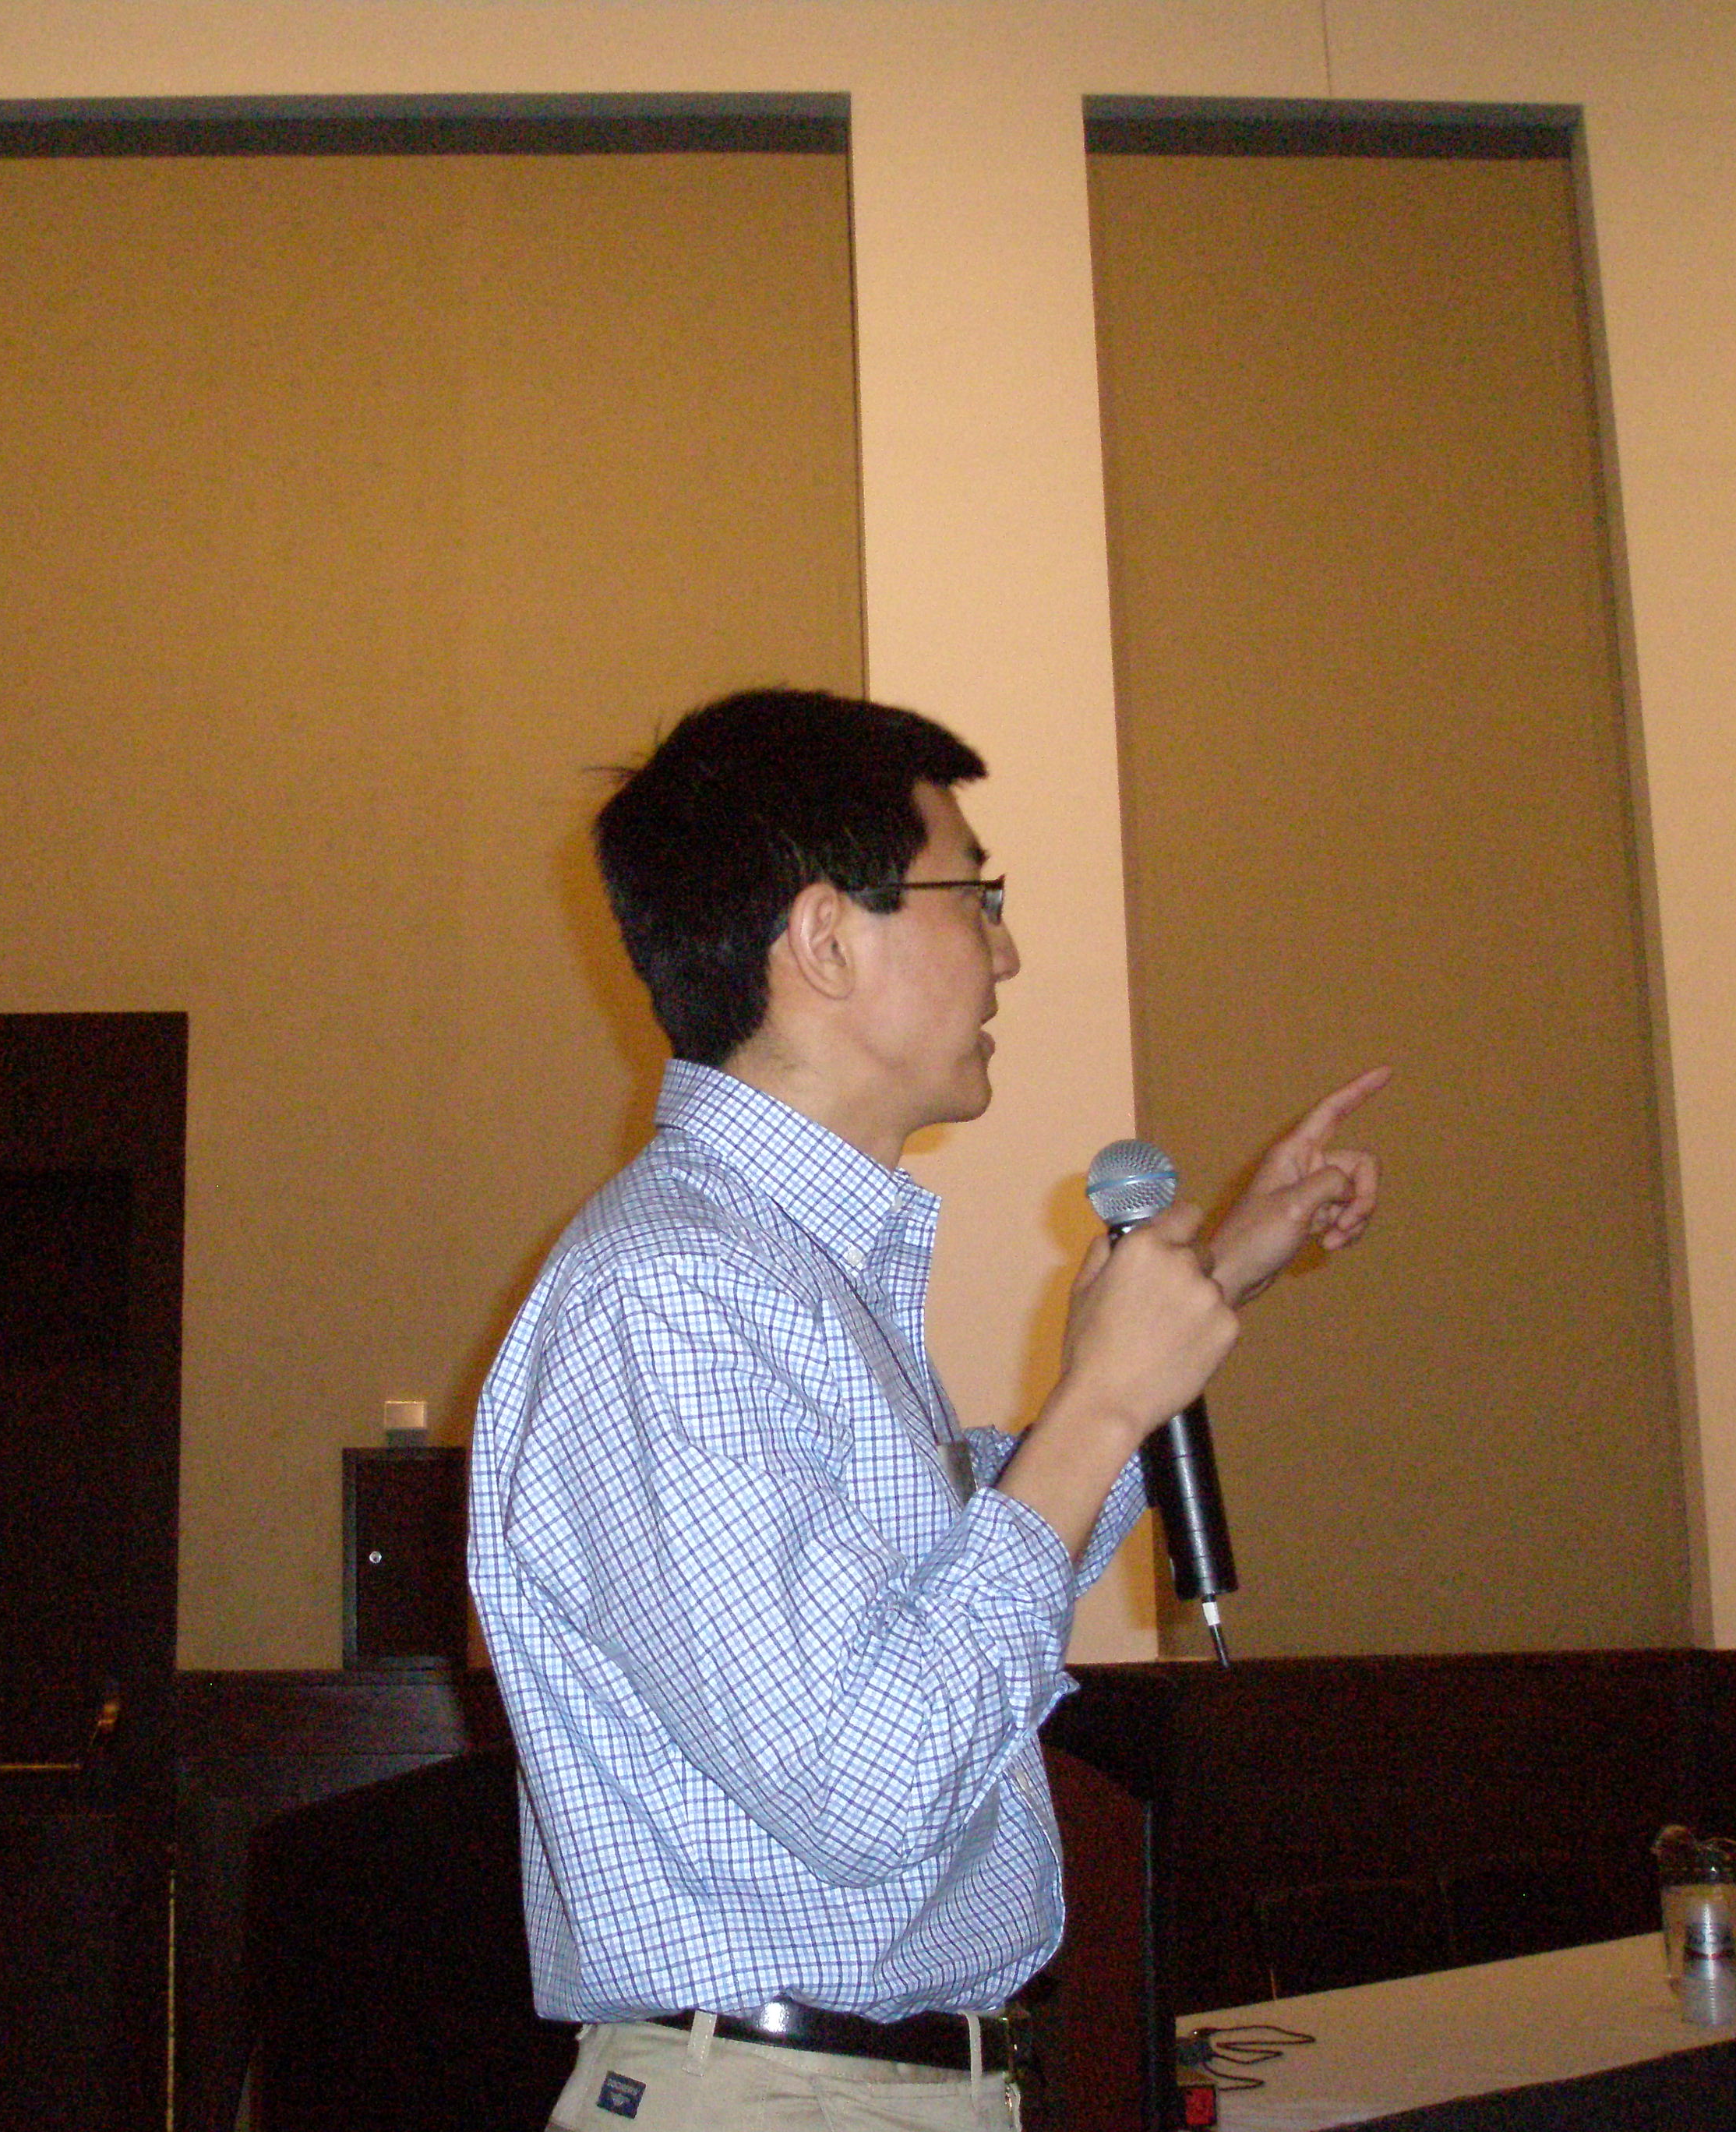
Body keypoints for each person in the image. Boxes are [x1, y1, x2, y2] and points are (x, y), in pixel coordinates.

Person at [468, 688, 1385, 2130]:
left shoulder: (776, 1271)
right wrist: (1099, 1408)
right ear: (828, 939)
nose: (1006, 949)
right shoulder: (671, 1292)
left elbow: (966, 1573)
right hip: (777, 2100)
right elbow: (869, 1782)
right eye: (978, 895)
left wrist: (1220, 1279)